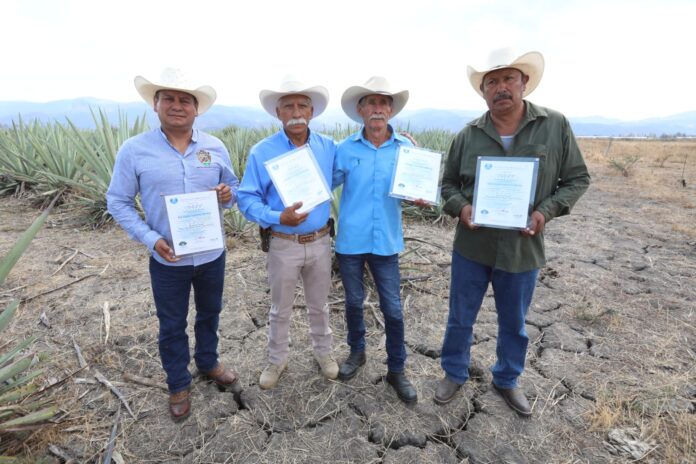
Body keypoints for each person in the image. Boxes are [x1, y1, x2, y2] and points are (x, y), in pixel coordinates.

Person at [434, 49, 591, 416]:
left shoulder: (554, 126)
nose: (500, 87)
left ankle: (506, 379)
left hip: (522, 247)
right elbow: (448, 184)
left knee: (514, 322)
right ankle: (454, 372)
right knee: (460, 317)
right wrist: (463, 208)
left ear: (524, 82)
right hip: (472, 245)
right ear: (483, 91)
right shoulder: (468, 135)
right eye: (492, 82)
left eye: (508, 79)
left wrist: (544, 212)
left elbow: (577, 179)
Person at [106, 68, 241, 422]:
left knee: (210, 313)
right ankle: (179, 383)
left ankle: (208, 362)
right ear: (156, 104)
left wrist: (227, 194)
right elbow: (117, 201)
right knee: (171, 324)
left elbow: (234, 190)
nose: (177, 106)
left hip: (211, 254)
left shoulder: (214, 147)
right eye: (169, 98)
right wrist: (151, 239)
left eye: (185, 100)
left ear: (197, 109)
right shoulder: (135, 150)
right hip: (168, 259)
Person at [237, 76, 338, 389]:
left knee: (320, 305)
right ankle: (276, 359)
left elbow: (350, 169)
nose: (296, 112)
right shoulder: (262, 152)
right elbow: (246, 198)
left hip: (320, 240)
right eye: (288, 106)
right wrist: (277, 216)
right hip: (283, 243)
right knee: (280, 308)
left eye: (302, 106)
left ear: (311, 112)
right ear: (278, 113)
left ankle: (323, 352)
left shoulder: (328, 147)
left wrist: (402, 145)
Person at [333, 76, 424, 404]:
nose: (377, 108)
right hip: (351, 241)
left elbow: (418, 189)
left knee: (393, 309)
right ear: (360, 110)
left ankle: (396, 369)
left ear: (391, 110)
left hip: (386, 241)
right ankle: (357, 353)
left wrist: (421, 197)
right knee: (353, 302)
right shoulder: (344, 149)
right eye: (370, 102)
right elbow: (323, 185)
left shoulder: (406, 149)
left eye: (384, 103)